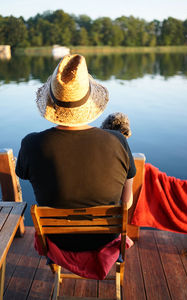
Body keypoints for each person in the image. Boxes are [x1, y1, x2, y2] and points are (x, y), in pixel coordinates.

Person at [16, 54, 136, 252]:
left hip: (56, 243)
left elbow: (23, 174)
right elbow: (127, 202)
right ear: (89, 100)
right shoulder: (118, 141)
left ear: (52, 102)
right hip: (105, 240)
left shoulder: (31, 144)